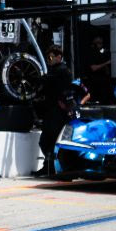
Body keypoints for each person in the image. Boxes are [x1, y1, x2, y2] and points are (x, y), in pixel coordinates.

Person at [35, 44, 75, 178]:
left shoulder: (63, 70)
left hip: (58, 112)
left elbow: (64, 89)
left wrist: (64, 103)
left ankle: (54, 167)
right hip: (51, 111)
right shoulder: (54, 70)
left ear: (59, 57)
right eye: (48, 57)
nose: (49, 59)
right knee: (46, 141)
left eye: (51, 56)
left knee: (50, 140)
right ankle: (49, 167)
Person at [84, 35, 114, 104]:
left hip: (103, 82)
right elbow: (93, 68)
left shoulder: (101, 53)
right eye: (98, 43)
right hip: (94, 82)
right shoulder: (90, 53)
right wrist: (107, 63)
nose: (100, 45)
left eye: (101, 43)